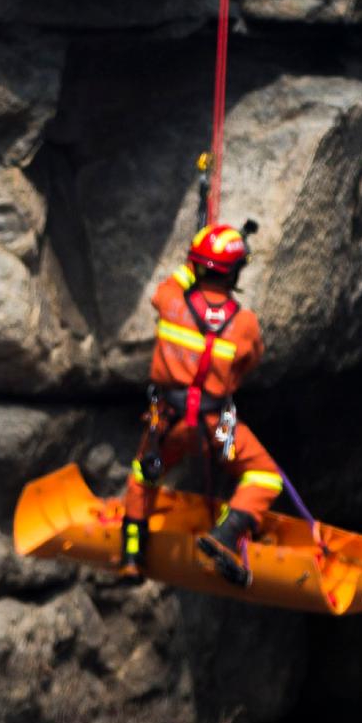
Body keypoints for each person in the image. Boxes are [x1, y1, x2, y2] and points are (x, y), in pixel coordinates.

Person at [121, 219, 284, 587]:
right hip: (218, 425)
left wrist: (194, 262)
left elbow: (173, 285)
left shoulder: (170, 300)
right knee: (263, 475)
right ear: (234, 273)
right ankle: (225, 536)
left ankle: (132, 556)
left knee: (143, 476)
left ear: (196, 266)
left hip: (169, 421)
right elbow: (249, 361)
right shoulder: (244, 322)